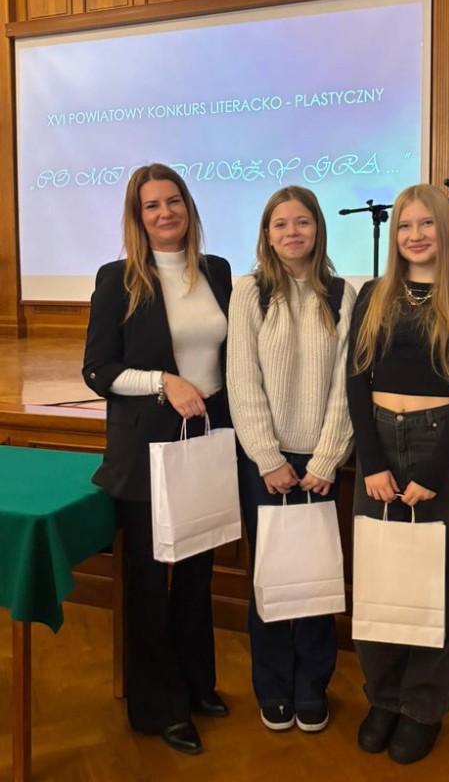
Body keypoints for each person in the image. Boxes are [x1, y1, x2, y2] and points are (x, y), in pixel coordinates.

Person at [82, 163, 232, 756]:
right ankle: (158, 707)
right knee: (147, 582)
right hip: (144, 448)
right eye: (152, 205)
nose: (165, 213)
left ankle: (196, 685)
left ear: (188, 207)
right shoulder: (117, 279)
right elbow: (99, 370)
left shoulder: (217, 271)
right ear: (137, 217)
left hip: (208, 439)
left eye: (173, 201)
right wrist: (163, 381)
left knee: (196, 573)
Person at [346, 183, 449, 765]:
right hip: (380, 446)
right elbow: (355, 380)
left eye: (426, 224)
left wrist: (432, 471)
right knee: (381, 580)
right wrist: (372, 463)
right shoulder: (374, 295)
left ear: (445, 230)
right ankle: (383, 697)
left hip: (441, 449)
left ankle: (422, 706)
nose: (414, 234)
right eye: (405, 225)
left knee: (436, 585)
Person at [227, 185, 355, 734]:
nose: (291, 232)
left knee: (316, 577)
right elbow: (242, 380)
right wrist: (266, 457)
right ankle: (274, 686)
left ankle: (312, 687)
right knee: (273, 576)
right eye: (280, 224)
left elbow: (347, 385)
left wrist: (327, 458)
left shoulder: (343, 294)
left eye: (301, 222)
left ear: (317, 228)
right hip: (266, 463)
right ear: (267, 234)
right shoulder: (248, 293)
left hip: (321, 460)